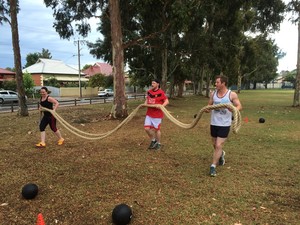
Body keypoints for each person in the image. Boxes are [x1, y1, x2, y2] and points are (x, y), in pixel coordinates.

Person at [206, 75, 242, 176]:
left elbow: (239, 106)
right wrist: (207, 109)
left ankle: (213, 166)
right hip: (214, 123)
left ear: (223, 83)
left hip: (225, 124)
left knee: (218, 145)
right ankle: (221, 155)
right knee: (214, 144)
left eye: (217, 82)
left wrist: (234, 109)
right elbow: (209, 105)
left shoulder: (231, 94)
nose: (215, 84)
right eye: (216, 82)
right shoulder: (213, 94)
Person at [144, 79, 169, 150]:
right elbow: (147, 99)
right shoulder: (149, 92)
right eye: (152, 83)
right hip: (149, 114)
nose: (152, 84)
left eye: (154, 83)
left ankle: (158, 143)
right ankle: (153, 140)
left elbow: (167, 101)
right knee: (146, 128)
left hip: (157, 115)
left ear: (158, 84)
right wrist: (145, 104)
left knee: (157, 130)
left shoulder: (161, 92)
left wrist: (161, 106)